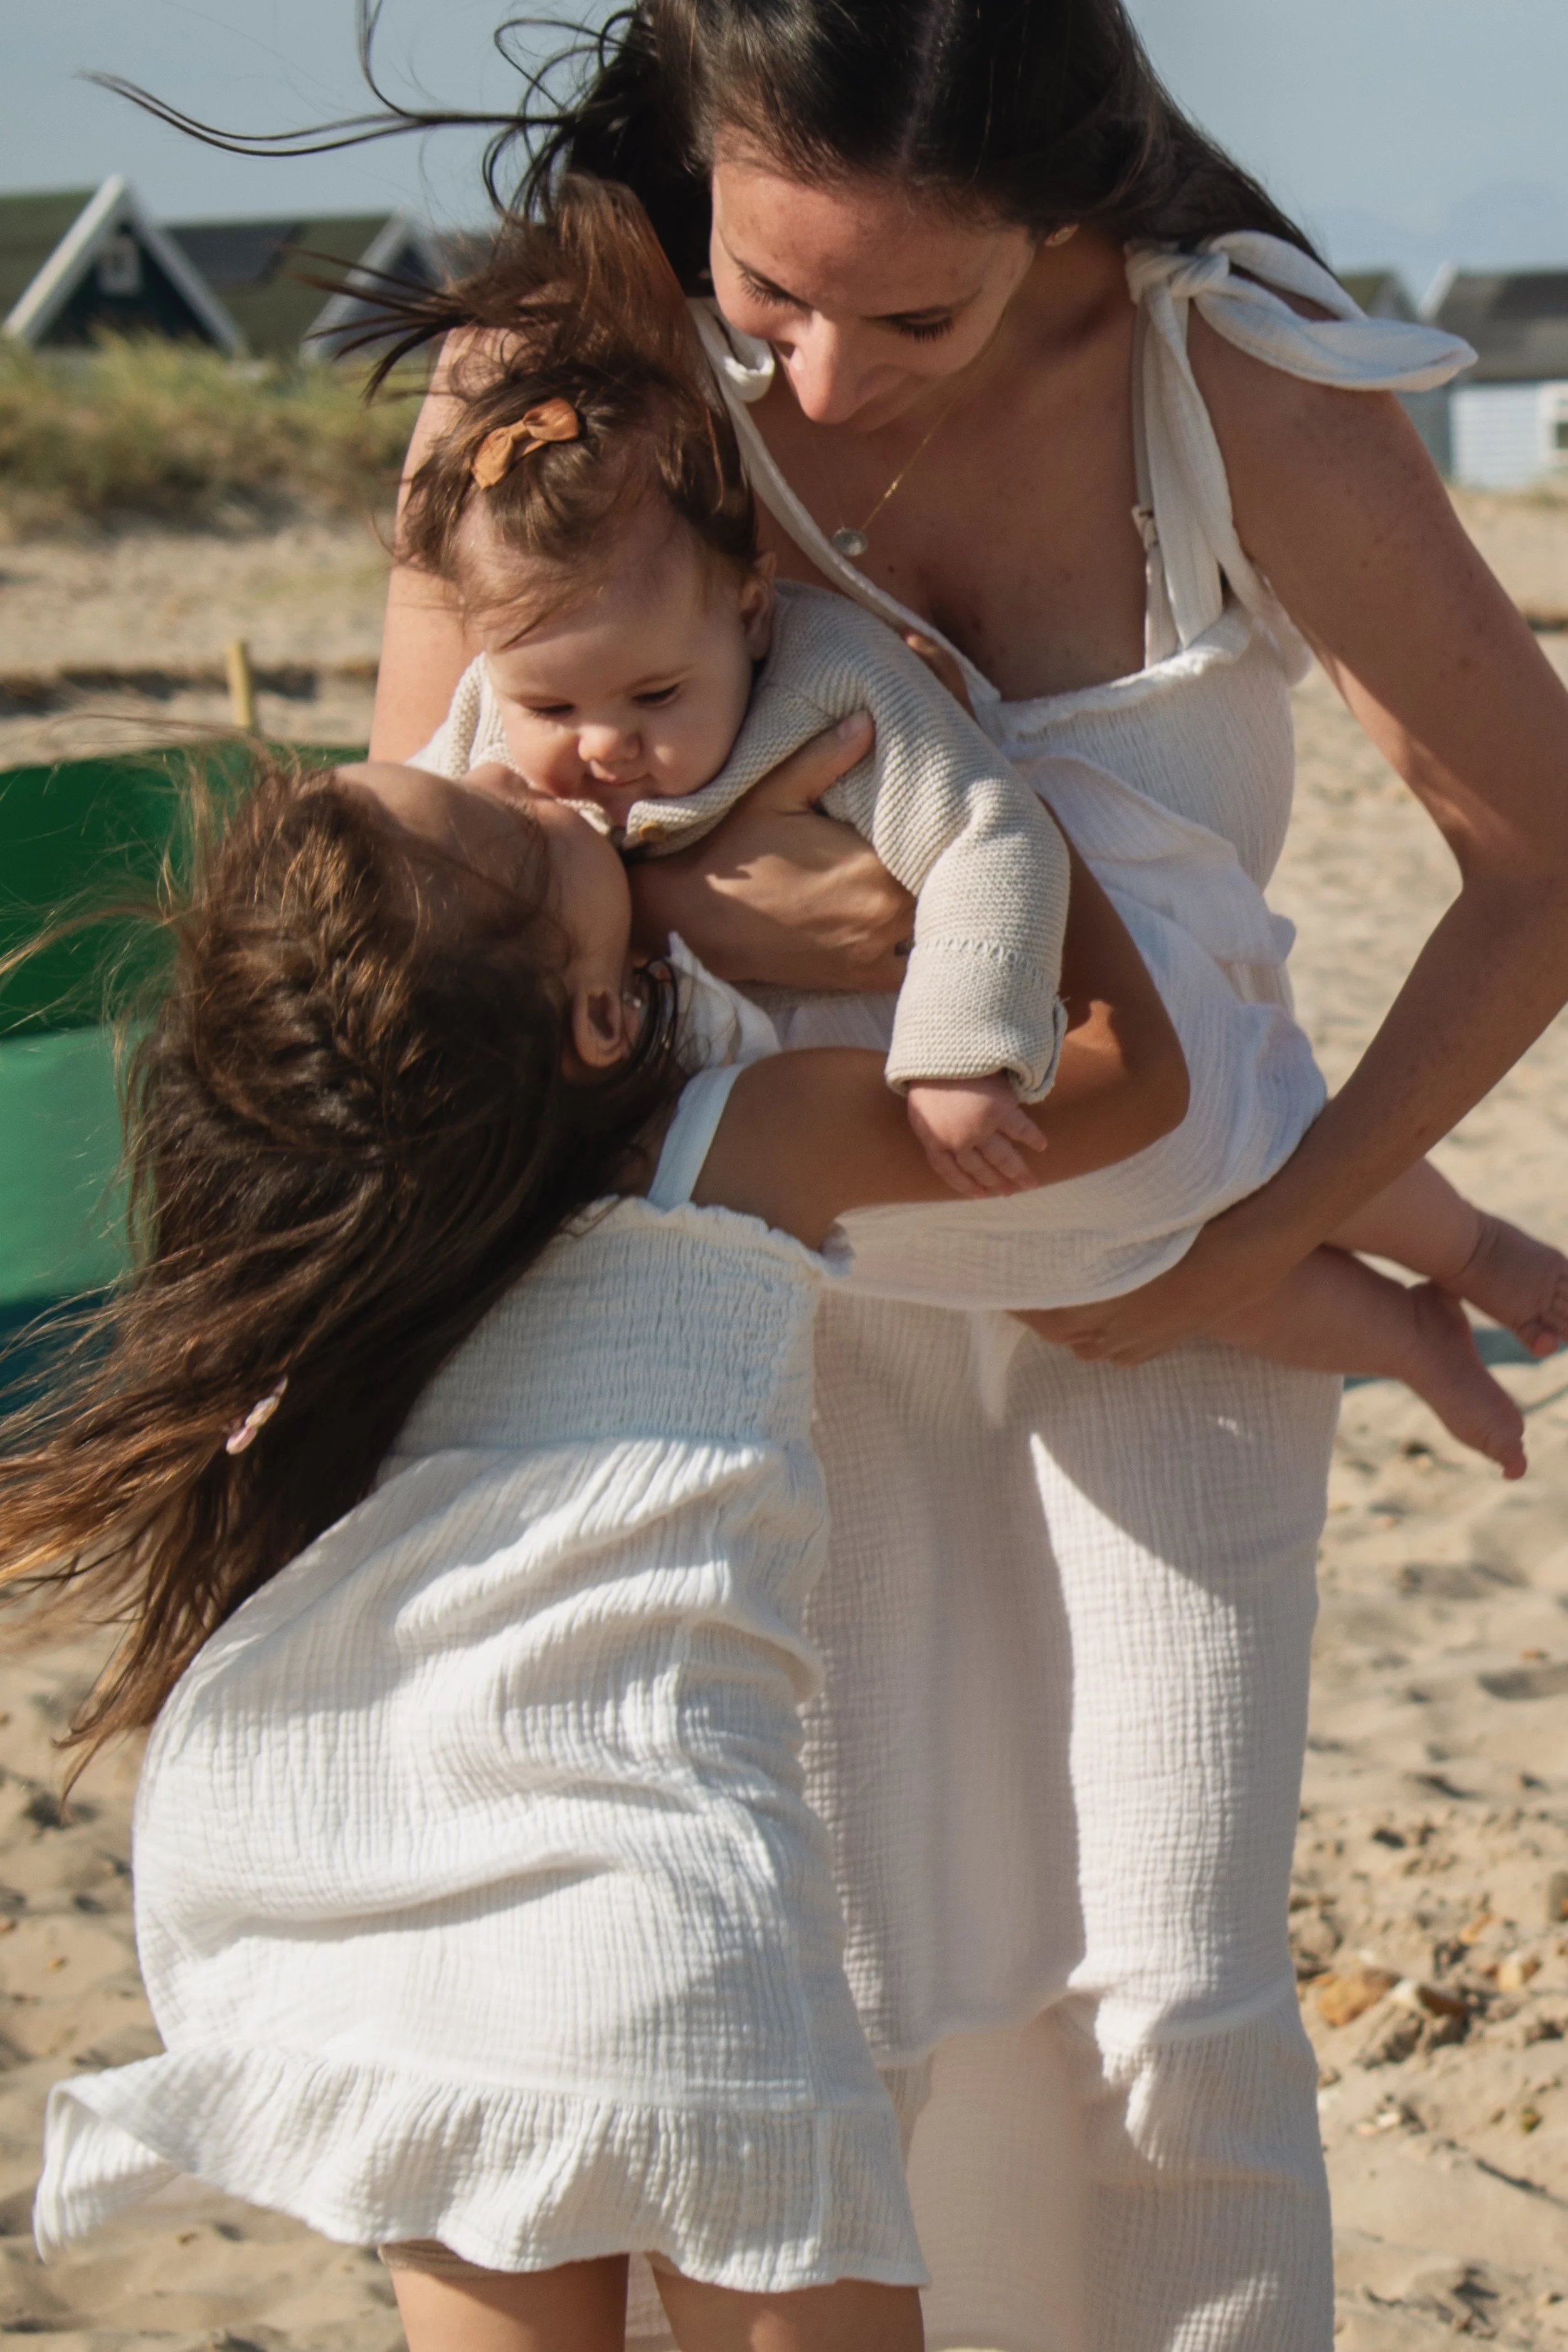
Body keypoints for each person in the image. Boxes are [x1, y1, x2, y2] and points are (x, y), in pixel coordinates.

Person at [352, 3, 1568, 2343]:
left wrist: (1254, 1249)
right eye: (767, 295)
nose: (812, 390)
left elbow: (1537, 862)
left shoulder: (1230, 390)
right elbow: (419, 881)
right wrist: (717, 914)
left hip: (1163, 1300)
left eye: (918, 314)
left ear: (1072, 211)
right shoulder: (557, 379)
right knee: (848, 1994)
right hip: (747, 1305)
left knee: (1173, 2014)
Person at [16, 751, 1185, 2352]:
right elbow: (1137, 1083)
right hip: (662, 1892)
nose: (513, 760)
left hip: (375, 1857)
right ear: (598, 1023)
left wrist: (604, 895)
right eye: (513, 826)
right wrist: (992, 822)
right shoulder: (732, 1151)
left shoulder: (339, 1247)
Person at [391, 178, 1565, 1478]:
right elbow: (413, 866)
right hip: (881, 1187)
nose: (600, 744)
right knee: (1131, 1283)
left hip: (1014, 1049)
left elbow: (987, 835)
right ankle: (1407, 1335)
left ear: (749, 608)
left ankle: (1467, 1254)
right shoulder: (507, 735)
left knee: (1257, 1139)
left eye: (655, 698)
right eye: (549, 703)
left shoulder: (826, 680)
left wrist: (956, 1049)